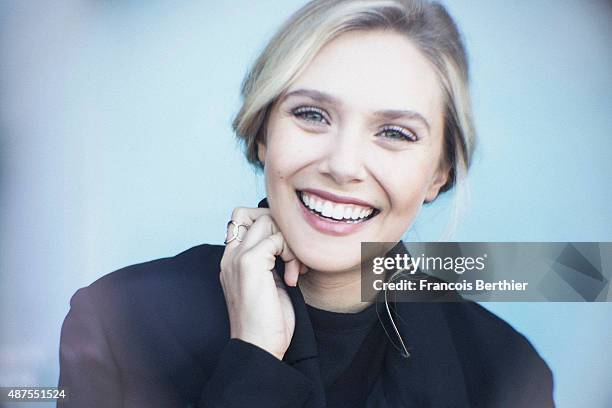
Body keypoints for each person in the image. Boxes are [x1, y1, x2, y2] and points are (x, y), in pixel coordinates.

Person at [57, 0, 554, 407]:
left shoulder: (506, 370)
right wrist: (253, 359)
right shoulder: (117, 324)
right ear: (262, 134)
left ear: (438, 174)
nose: (343, 165)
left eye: (395, 132)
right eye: (312, 114)